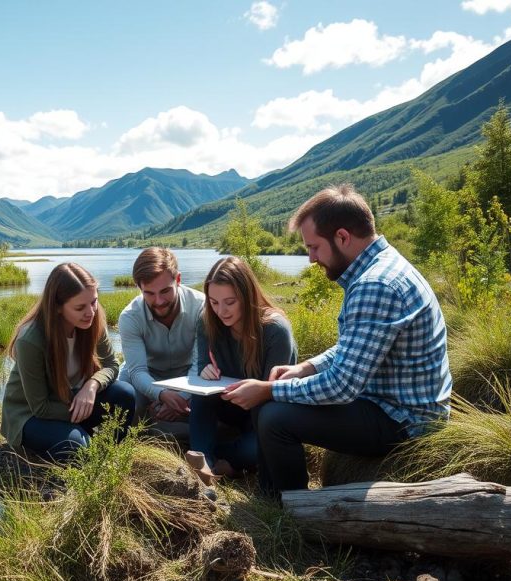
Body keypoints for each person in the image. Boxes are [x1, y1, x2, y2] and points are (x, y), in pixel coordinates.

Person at [218, 184, 451, 495]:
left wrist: (270, 390)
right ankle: (270, 492)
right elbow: (355, 347)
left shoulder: (375, 285)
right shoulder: (382, 266)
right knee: (272, 401)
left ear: (342, 237)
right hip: (395, 405)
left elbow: (342, 387)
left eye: (314, 247)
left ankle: (291, 508)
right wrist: (307, 368)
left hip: (405, 421)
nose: (312, 259)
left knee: (274, 414)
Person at [0, 262, 136, 461]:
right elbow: (41, 407)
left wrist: (92, 385)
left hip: (69, 400)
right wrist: (82, 411)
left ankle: (106, 456)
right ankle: (57, 446)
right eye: (80, 307)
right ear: (57, 308)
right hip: (29, 415)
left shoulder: (93, 319)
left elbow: (111, 364)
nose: (90, 311)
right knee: (77, 446)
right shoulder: (30, 340)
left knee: (125, 394)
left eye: (94, 301)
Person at [188, 255, 297, 480]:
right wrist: (205, 370)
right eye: (214, 302)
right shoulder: (206, 320)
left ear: (247, 296)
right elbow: (201, 365)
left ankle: (222, 460)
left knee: (256, 448)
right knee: (199, 395)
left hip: (266, 412)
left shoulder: (275, 330)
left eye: (230, 302)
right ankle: (205, 466)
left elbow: (273, 393)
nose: (221, 311)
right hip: (230, 405)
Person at [118, 247, 205, 439]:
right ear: (139, 288)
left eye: (165, 291)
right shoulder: (130, 317)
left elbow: (201, 363)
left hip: (189, 377)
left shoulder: (201, 307)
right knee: (122, 402)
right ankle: (148, 429)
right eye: (149, 293)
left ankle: (156, 427)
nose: (158, 301)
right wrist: (162, 394)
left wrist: (181, 399)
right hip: (146, 375)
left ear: (178, 280)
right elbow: (138, 371)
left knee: (208, 411)